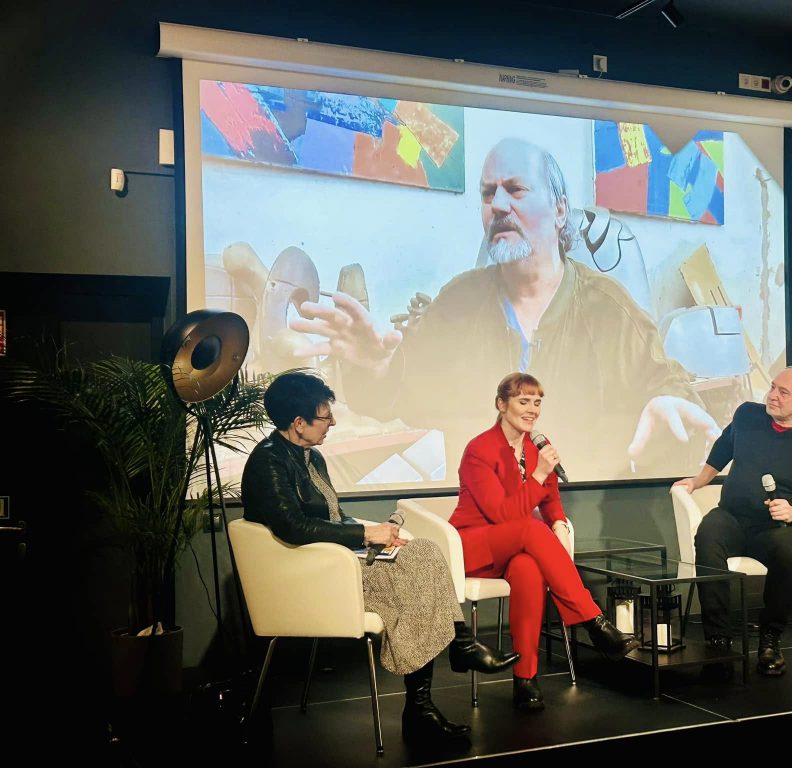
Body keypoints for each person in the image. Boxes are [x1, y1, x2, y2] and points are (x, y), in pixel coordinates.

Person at [290, 137, 720, 482]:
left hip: (581, 526)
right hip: (482, 523)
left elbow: (671, 386)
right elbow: (400, 394)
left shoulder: (610, 310)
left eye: (515, 190)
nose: (497, 204)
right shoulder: (458, 303)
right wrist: (376, 368)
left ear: (559, 210)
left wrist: (668, 400)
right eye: (487, 193)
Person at [241, 371, 520, 743]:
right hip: (310, 573)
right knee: (416, 586)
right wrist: (364, 534)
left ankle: (452, 660)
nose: (332, 423)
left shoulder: (312, 456)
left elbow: (332, 516)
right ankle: (441, 677)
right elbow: (293, 527)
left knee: (423, 550)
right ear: (298, 423)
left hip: (333, 558)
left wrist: (377, 535)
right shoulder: (268, 462)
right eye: (325, 416)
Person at [449, 372, 640, 711]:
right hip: (473, 545)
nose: (532, 410)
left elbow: (550, 497)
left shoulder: (537, 445)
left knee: (529, 569)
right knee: (532, 529)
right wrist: (538, 476)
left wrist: (559, 523)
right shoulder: (479, 450)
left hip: (515, 547)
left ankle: (525, 678)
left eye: (537, 403)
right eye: (524, 401)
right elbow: (502, 515)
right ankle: (594, 622)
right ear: (501, 404)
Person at [673, 365, 792, 677]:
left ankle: (770, 639)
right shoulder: (748, 415)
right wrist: (698, 481)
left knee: (789, 550)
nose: (772, 396)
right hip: (733, 516)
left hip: (777, 528)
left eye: (783, 392)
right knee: (708, 535)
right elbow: (723, 447)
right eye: (772, 387)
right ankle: (718, 641)